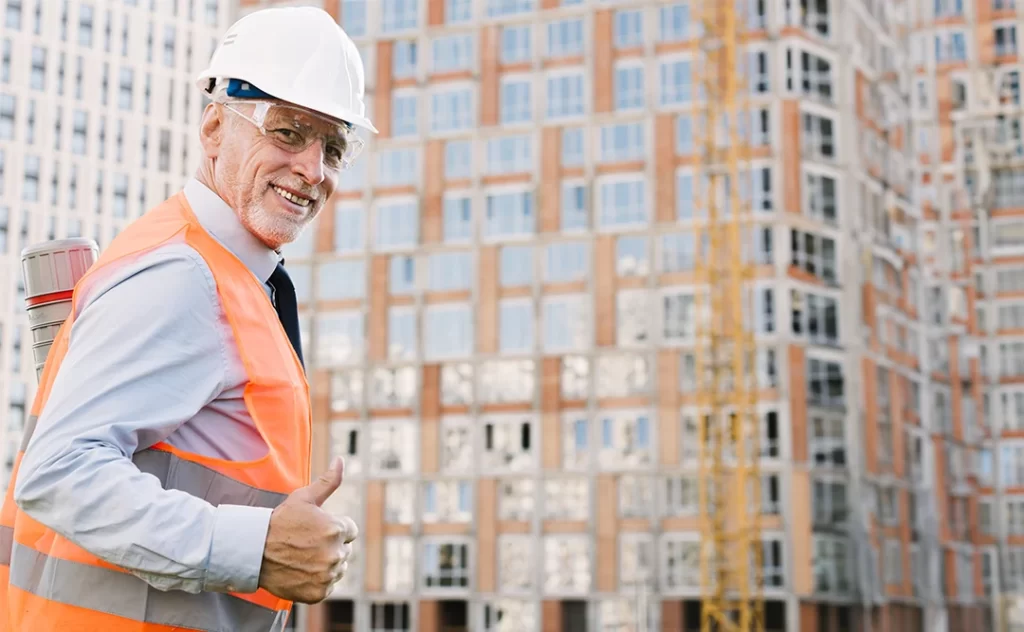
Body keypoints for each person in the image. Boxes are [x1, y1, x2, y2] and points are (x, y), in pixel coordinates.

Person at [0, 6, 377, 631]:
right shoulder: (184, 275)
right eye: (288, 131)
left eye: (333, 146)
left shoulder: (230, 275)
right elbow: (58, 471)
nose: (312, 169)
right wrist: (255, 548)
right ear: (213, 128)